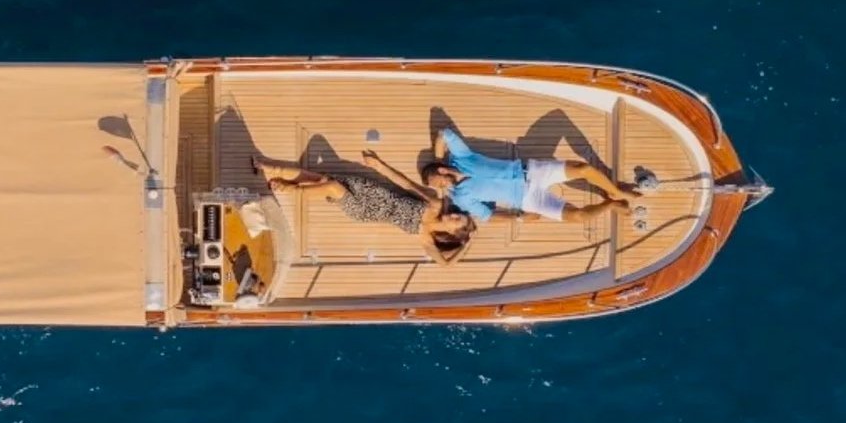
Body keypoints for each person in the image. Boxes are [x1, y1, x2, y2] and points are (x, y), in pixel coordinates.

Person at [253, 152, 476, 266]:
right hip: (373, 190)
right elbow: (406, 184)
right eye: (459, 214)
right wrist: (379, 165)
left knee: (330, 186)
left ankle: (287, 189)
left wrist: (464, 247)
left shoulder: (427, 238)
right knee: (318, 179)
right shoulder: (435, 204)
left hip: (365, 210)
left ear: (452, 233)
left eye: (457, 221)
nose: (455, 215)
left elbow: (445, 265)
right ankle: (270, 168)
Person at [421, 128, 638, 224]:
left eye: (438, 183)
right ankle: (610, 204)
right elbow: (487, 215)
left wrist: (438, 158)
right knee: (578, 217)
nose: (441, 189)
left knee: (583, 169)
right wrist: (519, 218)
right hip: (527, 200)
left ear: (442, 171)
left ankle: (616, 191)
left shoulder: (461, 158)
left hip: (531, 171)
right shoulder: (460, 197)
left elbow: (444, 134)